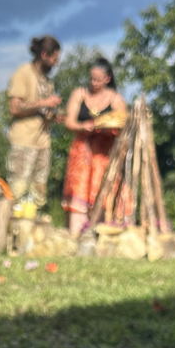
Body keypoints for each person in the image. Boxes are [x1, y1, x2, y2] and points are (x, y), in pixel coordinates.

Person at [61, 58, 127, 236]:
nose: (93, 83)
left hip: (104, 154)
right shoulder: (80, 94)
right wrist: (82, 127)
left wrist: (106, 128)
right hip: (81, 153)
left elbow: (123, 125)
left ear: (107, 79)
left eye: (98, 79)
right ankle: (76, 233)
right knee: (79, 190)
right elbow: (69, 121)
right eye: (91, 78)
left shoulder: (115, 99)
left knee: (104, 190)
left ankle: (103, 232)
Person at [6, 36, 61, 209]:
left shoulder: (47, 82)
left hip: (42, 142)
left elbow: (41, 112)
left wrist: (54, 116)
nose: (55, 63)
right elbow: (14, 108)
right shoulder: (24, 73)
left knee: (38, 194)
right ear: (44, 54)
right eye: (54, 59)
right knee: (17, 191)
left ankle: (33, 232)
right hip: (24, 142)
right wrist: (42, 103)